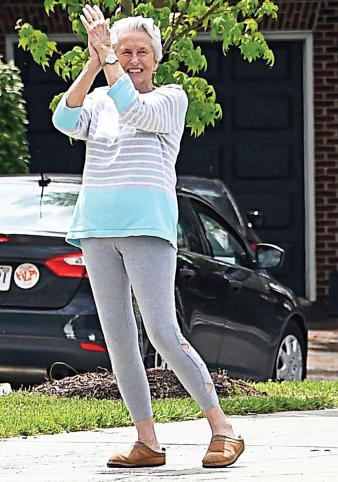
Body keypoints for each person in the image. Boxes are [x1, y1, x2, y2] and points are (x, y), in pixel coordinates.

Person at [51, 5, 243, 469]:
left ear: (156, 59)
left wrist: (109, 59)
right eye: (124, 51)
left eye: (141, 52)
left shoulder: (169, 99)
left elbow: (133, 106)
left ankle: (223, 429)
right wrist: (95, 59)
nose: (133, 59)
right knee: (118, 339)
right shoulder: (99, 101)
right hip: (98, 229)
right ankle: (147, 442)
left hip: (147, 229)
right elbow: (63, 119)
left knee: (161, 331)